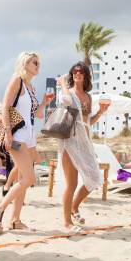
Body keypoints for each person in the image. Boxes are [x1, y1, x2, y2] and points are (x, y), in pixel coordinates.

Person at [0, 52, 54, 234]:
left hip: (30, 136)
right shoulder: (17, 80)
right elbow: (4, 106)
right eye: (34, 62)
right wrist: (8, 132)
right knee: (29, 178)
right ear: (24, 63)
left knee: (22, 179)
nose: (37, 64)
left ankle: (15, 220)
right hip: (17, 135)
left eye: (39, 62)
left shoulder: (31, 87)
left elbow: (38, 115)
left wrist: (44, 102)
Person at [56, 61, 110, 232]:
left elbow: (87, 122)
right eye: (74, 71)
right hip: (69, 142)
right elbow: (64, 101)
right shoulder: (68, 93)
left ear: (85, 75)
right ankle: (66, 222)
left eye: (80, 72)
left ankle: (74, 207)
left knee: (94, 178)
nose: (77, 74)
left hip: (85, 144)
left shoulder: (88, 97)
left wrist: (100, 112)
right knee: (71, 184)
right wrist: (63, 84)